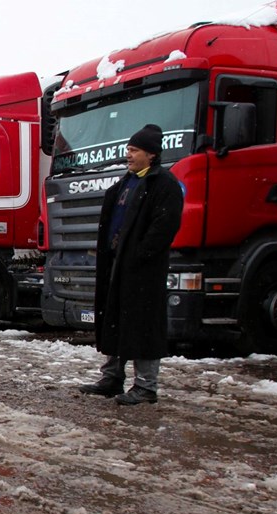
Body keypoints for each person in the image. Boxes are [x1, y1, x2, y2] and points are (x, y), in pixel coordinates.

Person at [78, 124, 183, 406]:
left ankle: (146, 386)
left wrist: (139, 255)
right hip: (116, 264)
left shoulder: (164, 185)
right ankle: (112, 377)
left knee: (143, 324)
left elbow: (164, 227)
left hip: (143, 270)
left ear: (151, 154)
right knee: (114, 318)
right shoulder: (126, 183)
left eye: (134, 150)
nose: (129, 155)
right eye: (128, 149)